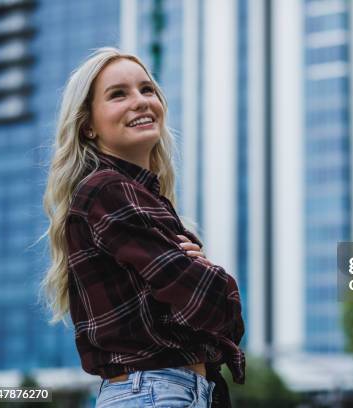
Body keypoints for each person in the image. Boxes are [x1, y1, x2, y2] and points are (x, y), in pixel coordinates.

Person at [39, 47, 245, 407]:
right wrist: (210, 274)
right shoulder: (107, 191)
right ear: (87, 124)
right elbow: (209, 305)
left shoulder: (143, 198)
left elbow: (222, 324)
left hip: (173, 391)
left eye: (146, 90)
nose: (140, 101)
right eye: (118, 94)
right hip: (152, 392)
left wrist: (202, 278)